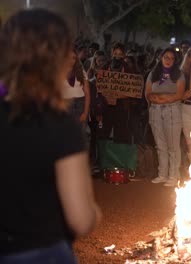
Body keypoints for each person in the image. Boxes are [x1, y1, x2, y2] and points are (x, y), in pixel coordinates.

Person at [0, 9, 101, 263]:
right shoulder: (60, 125)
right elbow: (80, 219)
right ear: (54, 58)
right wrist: (94, 213)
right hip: (41, 252)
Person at [146, 48, 185, 186]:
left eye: (171, 58)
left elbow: (179, 94)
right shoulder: (153, 73)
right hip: (155, 110)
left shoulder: (178, 75)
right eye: (166, 57)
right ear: (161, 58)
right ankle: (162, 174)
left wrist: (162, 99)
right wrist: (165, 98)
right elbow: (148, 94)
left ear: (175, 61)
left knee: (173, 145)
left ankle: (173, 176)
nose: (168, 60)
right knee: (160, 144)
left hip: (173, 111)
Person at [63, 49, 91, 133]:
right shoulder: (58, 72)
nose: (71, 60)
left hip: (80, 105)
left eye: (73, 58)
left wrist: (85, 113)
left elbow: (87, 93)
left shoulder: (81, 72)